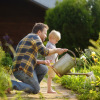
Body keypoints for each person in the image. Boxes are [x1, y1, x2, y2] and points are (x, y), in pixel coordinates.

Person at [8, 23, 68, 94]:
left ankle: (30, 86)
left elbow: (30, 60)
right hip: (22, 70)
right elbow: (45, 52)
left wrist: (44, 62)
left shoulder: (28, 37)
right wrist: (57, 50)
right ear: (39, 32)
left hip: (24, 68)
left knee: (44, 68)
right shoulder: (35, 37)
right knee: (36, 90)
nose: (46, 36)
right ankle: (10, 84)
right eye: (45, 33)